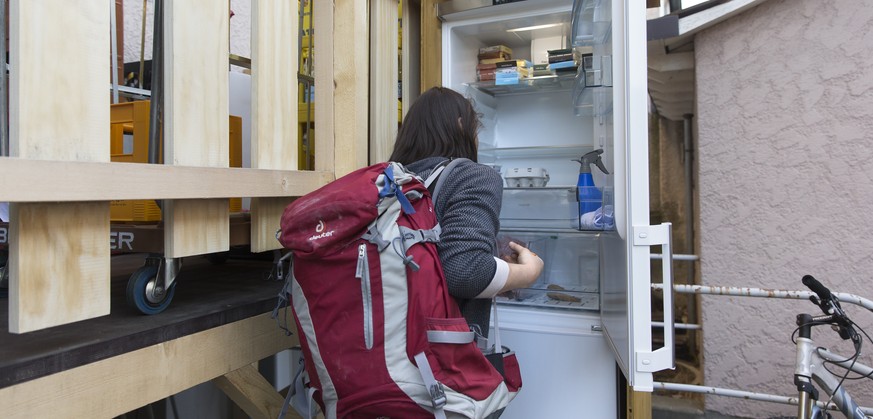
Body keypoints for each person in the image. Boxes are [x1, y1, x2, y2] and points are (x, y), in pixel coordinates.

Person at [389, 86, 544, 341]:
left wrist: (495, 265)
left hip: (387, 348)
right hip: (437, 361)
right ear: (462, 126)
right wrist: (528, 273)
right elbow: (466, 273)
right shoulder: (472, 176)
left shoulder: (388, 179)